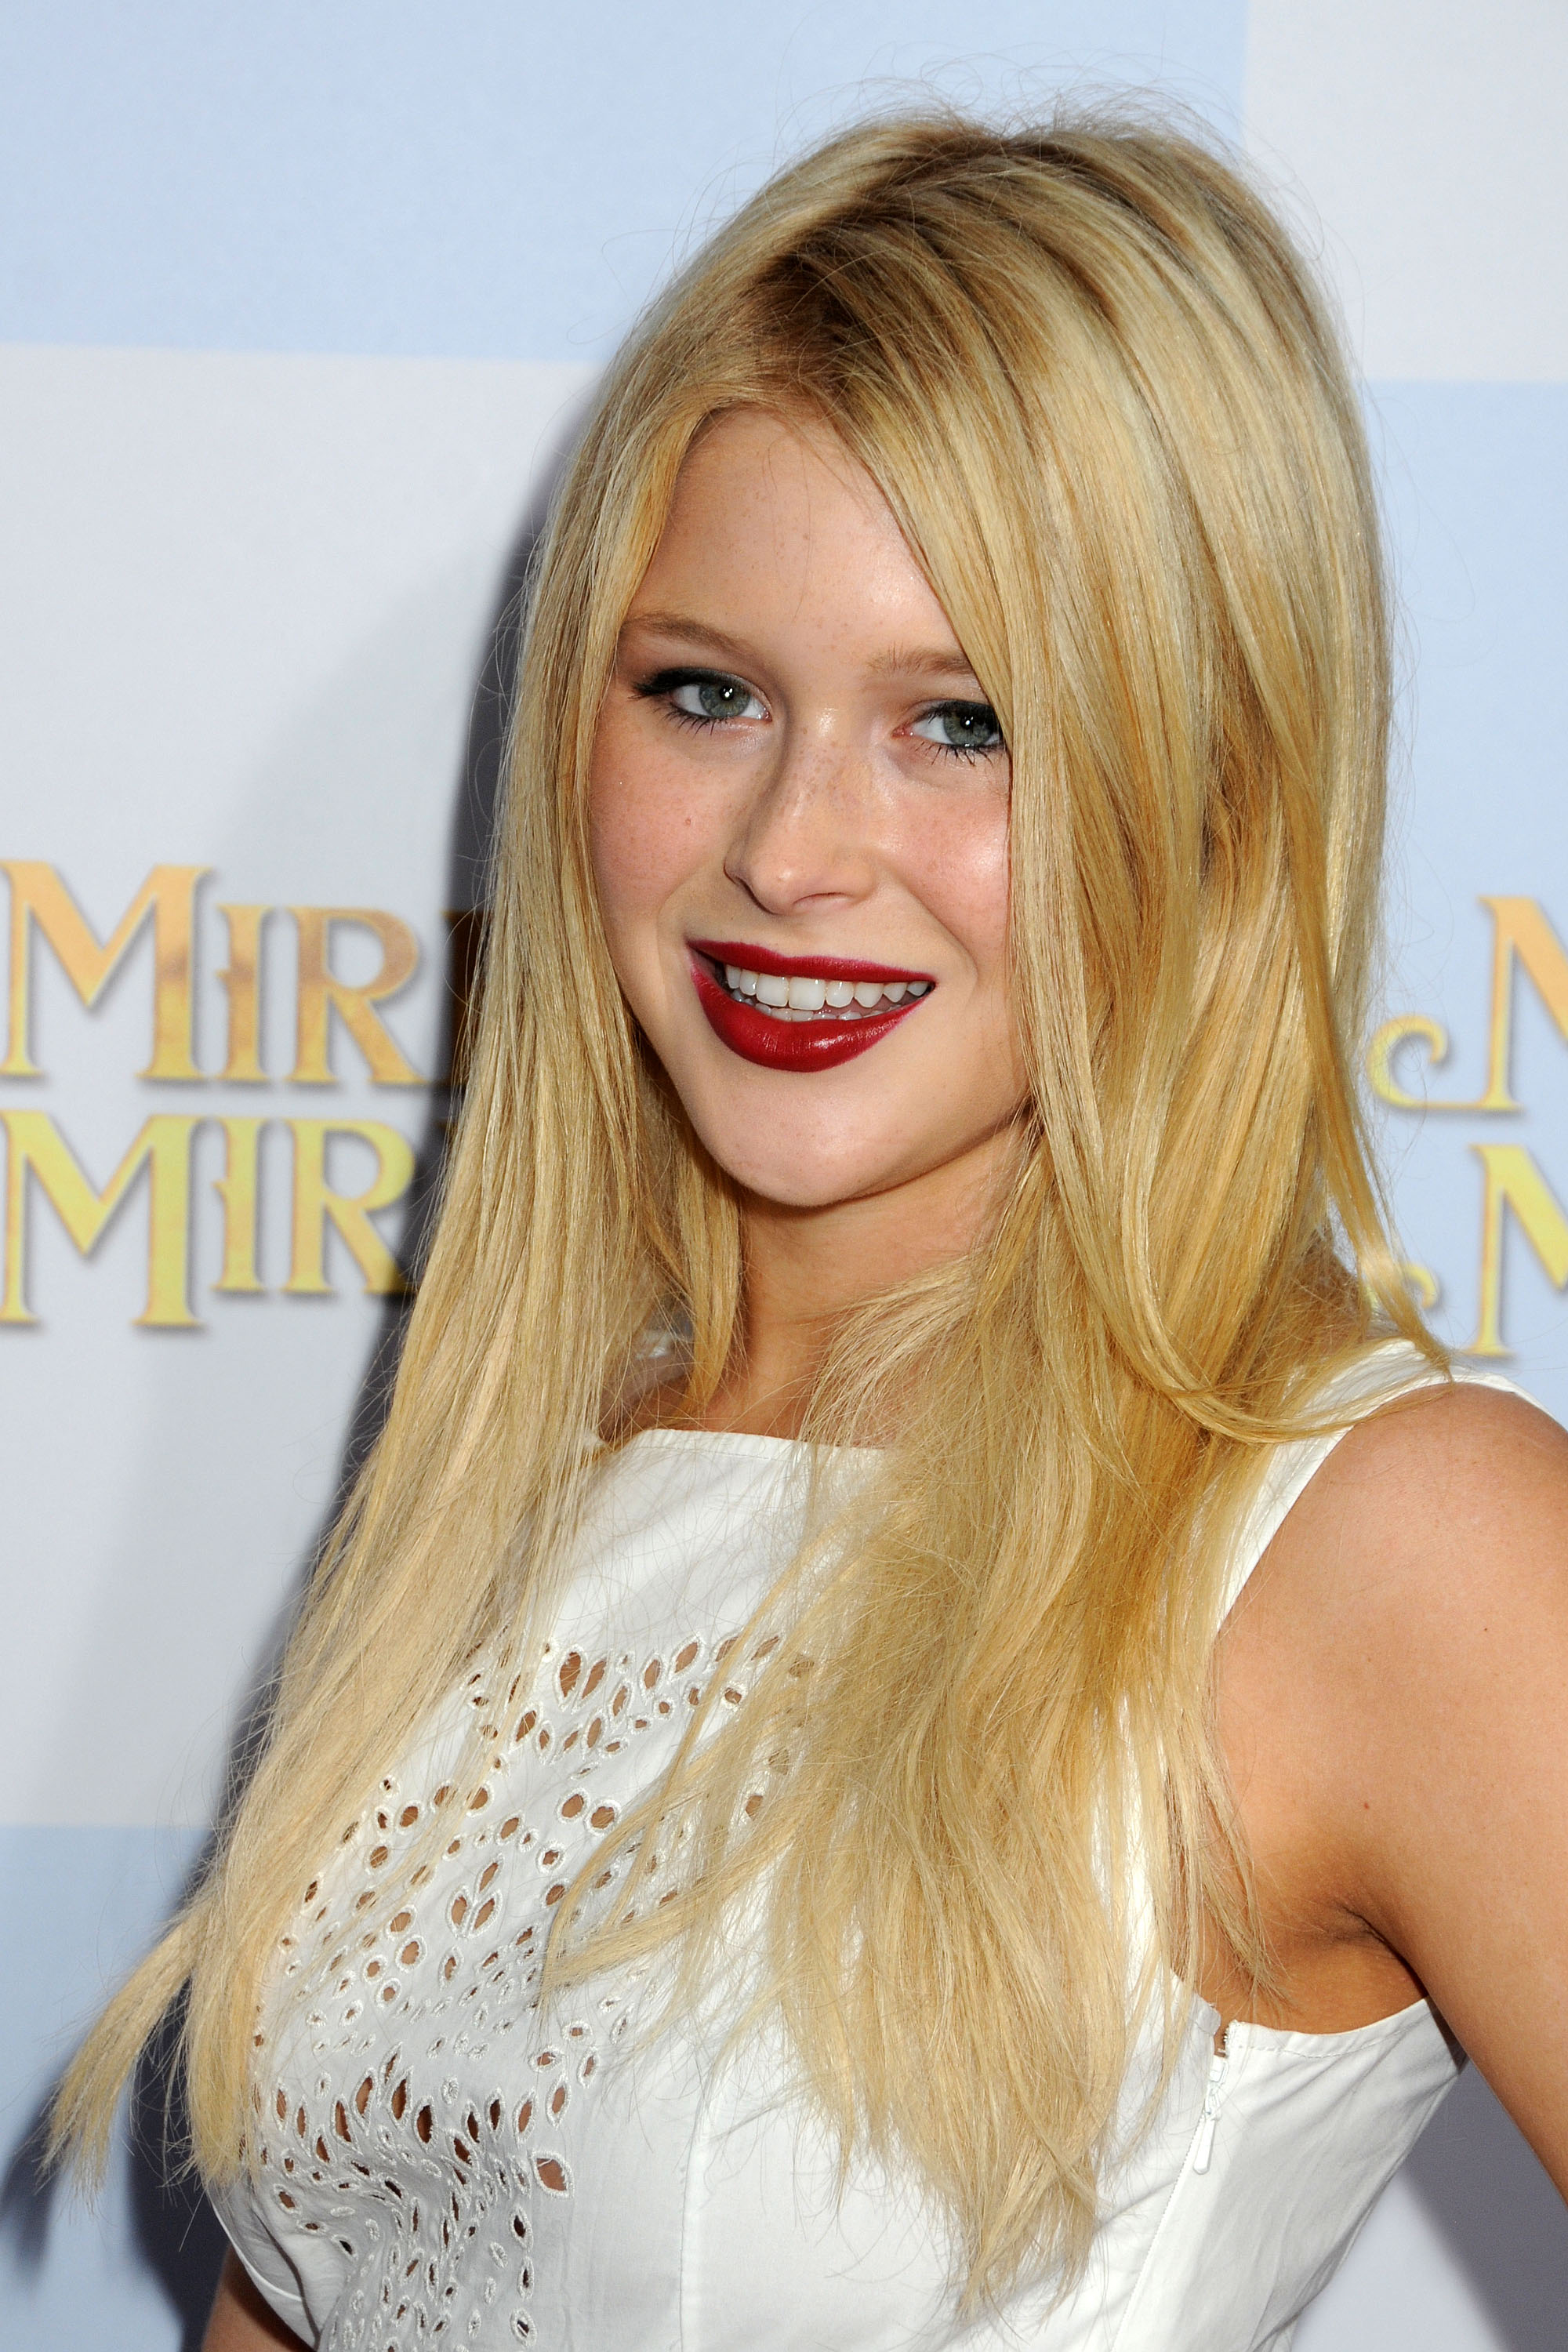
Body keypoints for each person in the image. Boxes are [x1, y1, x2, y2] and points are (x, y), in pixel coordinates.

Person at [56, 110, 1568, 2351]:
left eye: (962, 725)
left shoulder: (1386, 1543)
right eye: (707, 693)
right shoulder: (533, 1456)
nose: (789, 848)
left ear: (1217, 795)